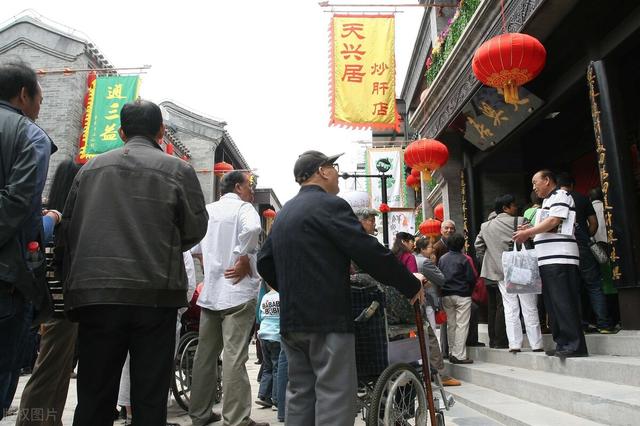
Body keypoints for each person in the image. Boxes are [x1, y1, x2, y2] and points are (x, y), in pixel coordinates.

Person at [62, 99, 208, 425]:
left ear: (121, 132)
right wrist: (162, 246)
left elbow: (69, 230)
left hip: (97, 294)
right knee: (149, 396)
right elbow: (195, 228)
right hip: (154, 295)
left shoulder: (89, 169)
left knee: (94, 394)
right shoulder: (178, 170)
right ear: (160, 131)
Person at [257, 150, 423, 426]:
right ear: (322, 171)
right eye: (333, 167)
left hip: (292, 321)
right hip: (327, 320)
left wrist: (294, 290)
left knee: (300, 394)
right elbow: (367, 251)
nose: (337, 173)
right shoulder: (331, 205)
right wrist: (408, 283)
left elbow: (264, 261)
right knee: (335, 396)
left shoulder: (285, 213)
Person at [0, 61, 57, 418]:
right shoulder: (30, 135)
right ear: (23, 94)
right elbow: (19, 203)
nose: (39, 107)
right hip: (7, 277)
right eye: (38, 98)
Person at [189, 170, 266, 426]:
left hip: (211, 293)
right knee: (234, 356)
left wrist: (212, 266)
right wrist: (242, 255)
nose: (251, 191)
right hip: (236, 291)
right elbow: (254, 228)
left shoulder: (208, 210)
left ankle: (199, 414)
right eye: (249, 186)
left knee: (205, 356)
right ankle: (236, 419)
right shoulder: (244, 209)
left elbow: (195, 249)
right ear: (237, 187)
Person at [16, 159, 80, 426]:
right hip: (62, 308)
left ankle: (51, 421)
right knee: (49, 372)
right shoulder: (64, 221)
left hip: (49, 306)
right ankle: (30, 422)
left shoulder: (49, 217)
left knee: (57, 371)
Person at [514, 169, 588, 358]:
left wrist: (528, 233)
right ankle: (562, 342)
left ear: (547, 180)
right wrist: (530, 229)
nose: (534, 187)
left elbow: (555, 221)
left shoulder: (561, 195)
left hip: (560, 257)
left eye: (535, 182)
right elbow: (550, 227)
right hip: (548, 258)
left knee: (564, 301)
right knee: (554, 303)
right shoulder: (546, 202)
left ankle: (574, 345)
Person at [475, 194, 543, 353]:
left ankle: (515, 344)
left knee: (509, 307)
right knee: (529, 306)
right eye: (513, 205)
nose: (516, 207)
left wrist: (492, 258)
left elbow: (478, 246)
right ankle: (536, 343)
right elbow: (533, 237)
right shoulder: (520, 221)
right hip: (521, 267)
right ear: (505, 208)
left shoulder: (485, 226)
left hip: (500, 271)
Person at [557, 173, 613, 333]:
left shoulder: (555, 200)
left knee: (572, 287)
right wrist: (586, 237)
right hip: (583, 247)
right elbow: (593, 224)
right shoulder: (582, 198)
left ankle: (580, 324)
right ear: (572, 185)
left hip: (565, 249)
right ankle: (603, 324)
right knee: (594, 285)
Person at [438, 233, 475, 364]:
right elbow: (471, 278)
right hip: (462, 294)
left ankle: (452, 352)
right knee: (462, 325)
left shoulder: (442, 259)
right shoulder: (464, 259)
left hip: (446, 295)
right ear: (462, 245)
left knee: (451, 325)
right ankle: (459, 354)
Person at [255, 285, 281, 409]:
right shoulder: (282, 295)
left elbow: (260, 316)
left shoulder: (265, 297)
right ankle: (276, 399)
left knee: (267, 366)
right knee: (277, 367)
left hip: (264, 335)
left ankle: (264, 395)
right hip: (276, 336)